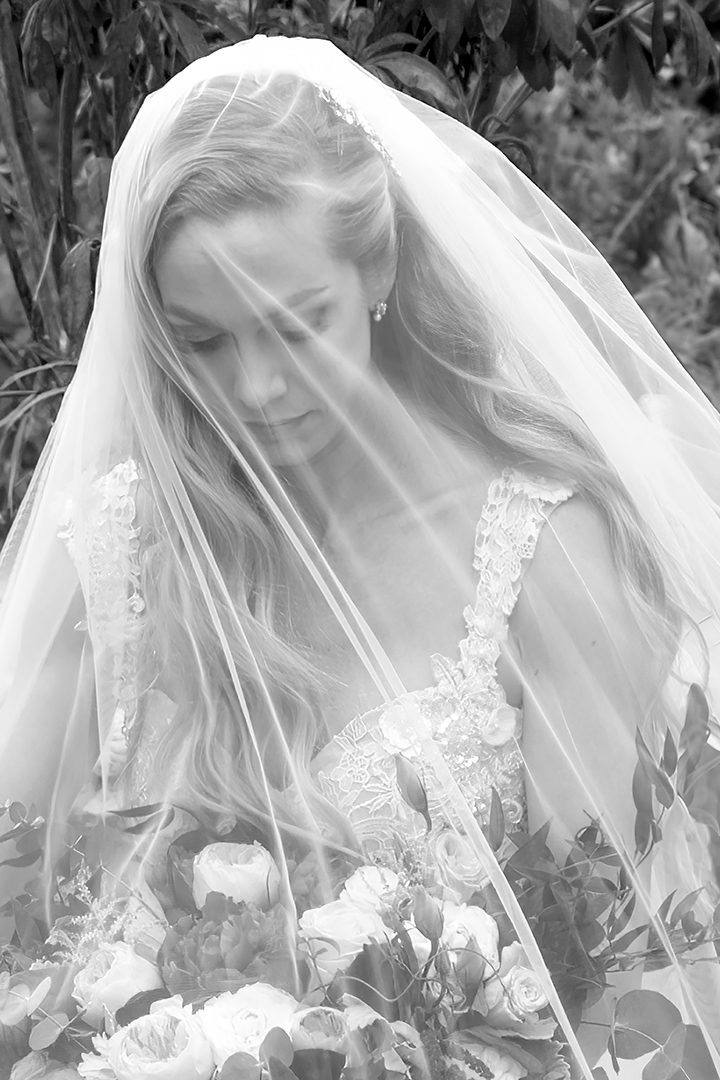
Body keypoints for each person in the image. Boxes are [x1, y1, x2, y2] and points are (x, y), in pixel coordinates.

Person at [1, 35, 720, 1078]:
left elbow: (632, 981)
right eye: (203, 341)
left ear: (377, 266)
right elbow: (17, 914)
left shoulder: (537, 557)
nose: (253, 390)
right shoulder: (112, 556)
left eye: (297, 326)